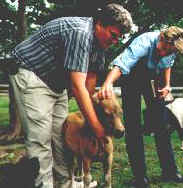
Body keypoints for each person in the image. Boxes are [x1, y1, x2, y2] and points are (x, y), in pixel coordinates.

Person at [8, 3, 133, 188]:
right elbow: (77, 86)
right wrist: (97, 127)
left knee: (61, 135)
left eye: (119, 38)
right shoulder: (81, 33)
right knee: (40, 138)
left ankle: (65, 183)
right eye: (113, 35)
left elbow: (89, 86)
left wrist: (93, 116)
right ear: (100, 23)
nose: (115, 41)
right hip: (30, 72)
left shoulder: (100, 46)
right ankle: (44, 184)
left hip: (56, 83)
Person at [97, 26, 183, 187]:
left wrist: (167, 85)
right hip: (131, 79)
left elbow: (167, 65)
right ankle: (140, 177)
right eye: (163, 50)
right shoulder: (144, 42)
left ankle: (170, 172)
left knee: (162, 125)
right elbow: (121, 65)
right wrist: (107, 83)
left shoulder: (171, 49)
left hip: (152, 81)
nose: (163, 54)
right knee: (133, 127)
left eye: (168, 53)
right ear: (161, 37)